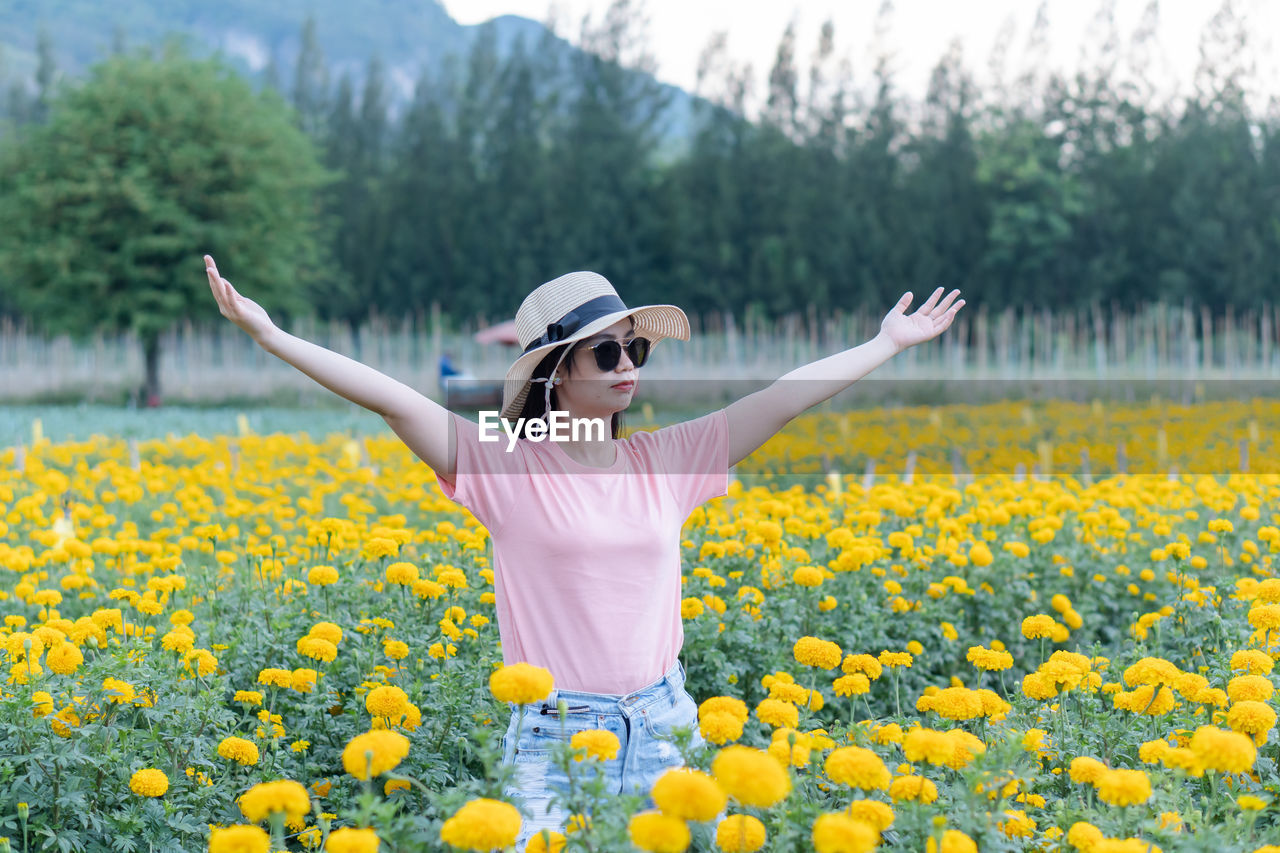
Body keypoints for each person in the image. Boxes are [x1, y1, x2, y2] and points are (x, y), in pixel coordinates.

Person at [204, 258, 963, 846]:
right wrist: (271, 336)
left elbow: (786, 396)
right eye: (606, 352)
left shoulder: (666, 459)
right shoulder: (506, 465)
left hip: (668, 722)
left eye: (633, 347)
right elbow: (394, 398)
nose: (628, 362)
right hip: (554, 735)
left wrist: (884, 344)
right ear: (556, 370)